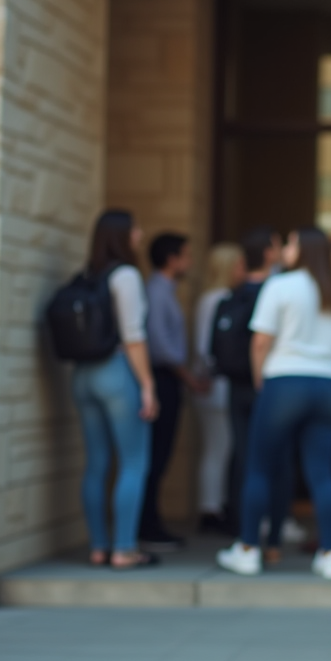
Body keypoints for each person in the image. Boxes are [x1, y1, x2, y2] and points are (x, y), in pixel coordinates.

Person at [218, 227, 331, 580]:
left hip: (284, 383)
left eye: (292, 243)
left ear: (302, 250)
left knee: (259, 466)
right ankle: (330, 554)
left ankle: (248, 549)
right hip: (327, 386)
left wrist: (261, 381)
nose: (287, 249)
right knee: (322, 472)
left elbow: (260, 342)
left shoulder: (279, 286)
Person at [72, 210, 160, 569]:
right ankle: (124, 549)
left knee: (96, 463)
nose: (139, 234)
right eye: (135, 229)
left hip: (83, 376)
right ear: (123, 236)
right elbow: (133, 336)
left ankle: (98, 546)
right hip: (117, 373)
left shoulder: (87, 275)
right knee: (134, 462)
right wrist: (148, 385)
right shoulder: (125, 275)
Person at [141, 232, 209, 550]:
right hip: (162, 379)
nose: (190, 261)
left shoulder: (164, 290)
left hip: (168, 378)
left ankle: (150, 523)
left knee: (160, 454)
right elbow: (161, 347)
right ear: (171, 259)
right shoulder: (157, 292)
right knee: (156, 454)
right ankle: (148, 526)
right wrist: (188, 378)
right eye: (186, 255)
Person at [224, 226, 280, 534]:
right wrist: (262, 381)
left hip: (235, 384)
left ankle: (237, 522)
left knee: (241, 452)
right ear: (269, 253)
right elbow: (262, 343)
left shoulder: (234, 292)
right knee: (271, 457)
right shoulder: (276, 289)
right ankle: (269, 526)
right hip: (265, 384)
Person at [192, 243, 245, 534]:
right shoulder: (222, 299)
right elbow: (206, 347)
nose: (242, 271)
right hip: (218, 384)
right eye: (238, 265)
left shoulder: (206, 299)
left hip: (208, 383)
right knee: (220, 450)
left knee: (214, 449)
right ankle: (213, 510)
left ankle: (211, 507)